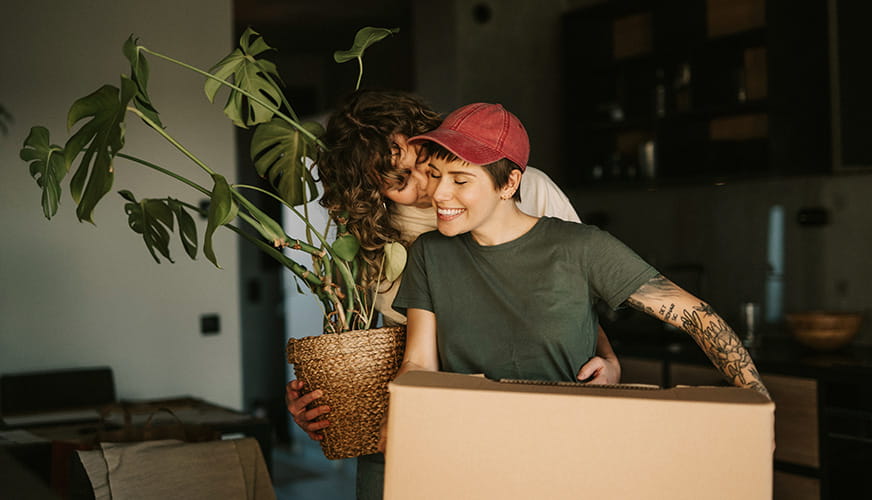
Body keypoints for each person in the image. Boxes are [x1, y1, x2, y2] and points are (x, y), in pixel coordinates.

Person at [285, 90, 619, 499]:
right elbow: (361, 337)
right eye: (399, 181)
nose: (428, 187)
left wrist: (607, 356)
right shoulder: (368, 231)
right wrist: (322, 398)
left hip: (513, 408)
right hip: (406, 415)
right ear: (369, 187)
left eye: (423, 161)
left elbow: (574, 294)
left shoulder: (527, 188)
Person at [383, 101, 770, 445]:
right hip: (472, 447)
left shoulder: (582, 247)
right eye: (435, 174)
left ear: (509, 183)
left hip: (571, 445)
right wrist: (397, 417)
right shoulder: (429, 254)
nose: (439, 193)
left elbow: (697, 317)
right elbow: (418, 363)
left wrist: (759, 406)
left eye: (460, 180)